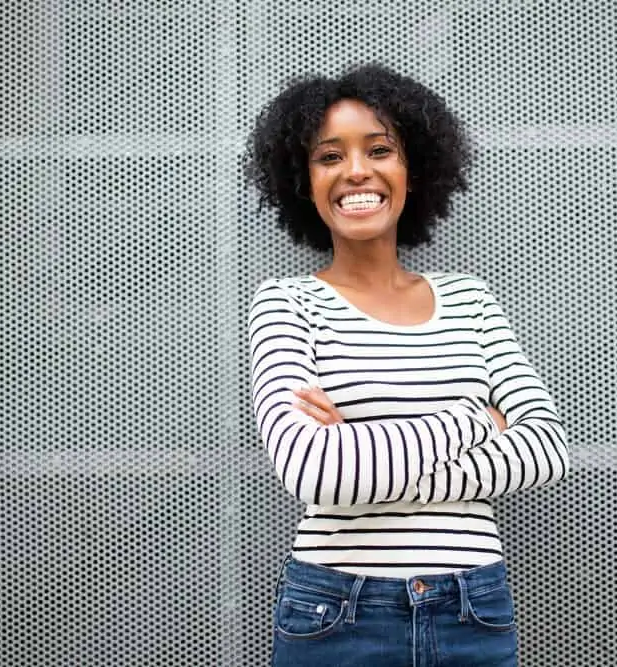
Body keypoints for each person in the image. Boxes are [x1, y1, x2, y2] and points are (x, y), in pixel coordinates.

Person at [245, 64, 570, 666]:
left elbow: (547, 451)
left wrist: (363, 457)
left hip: (473, 606)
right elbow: (314, 475)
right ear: (303, 181)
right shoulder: (285, 304)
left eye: (379, 149)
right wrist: (478, 422)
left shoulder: (471, 299)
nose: (357, 171)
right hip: (336, 610)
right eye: (328, 157)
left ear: (412, 170)